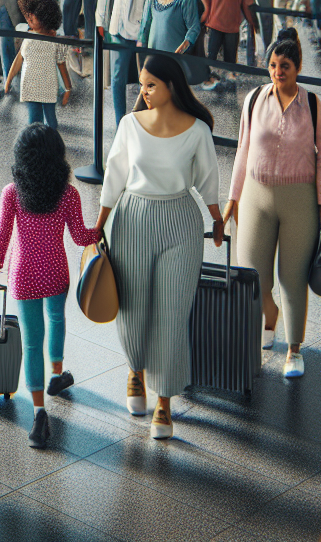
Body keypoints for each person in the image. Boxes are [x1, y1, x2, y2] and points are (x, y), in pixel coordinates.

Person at [95, 53, 222, 441]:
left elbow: (208, 179)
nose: (144, 91)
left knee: (172, 312)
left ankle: (164, 402)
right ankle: (135, 371)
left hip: (181, 222)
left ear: (172, 86)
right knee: (132, 305)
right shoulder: (129, 125)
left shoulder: (198, 130)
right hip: (132, 218)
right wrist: (98, 227)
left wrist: (217, 219)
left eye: (151, 84)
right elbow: (114, 176)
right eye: (142, 84)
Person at [0, 124, 99, 448]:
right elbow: (80, 237)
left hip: (23, 275)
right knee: (57, 320)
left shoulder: (13, 192)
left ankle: (38, 412)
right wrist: (102, 227)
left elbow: (2, 235)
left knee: (31, 344)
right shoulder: (68, 194)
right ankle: (57, 375)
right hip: (56, 272)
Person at [3, 0, 71, 128]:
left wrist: (68, 88)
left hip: (48, 87)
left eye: (32, 18)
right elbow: (18, 60)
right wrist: (8, 79)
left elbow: (62, 64)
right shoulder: (29, 37)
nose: (29, 18)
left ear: (46, 18)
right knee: (34, 121)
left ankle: (51, 144)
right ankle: (35, 145)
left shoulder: (56, 41)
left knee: (51, 121)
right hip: (30, 87)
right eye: (28, 16)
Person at [197, 0, 251, 90]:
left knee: (230, 54)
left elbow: (246, 0)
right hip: (214, 23)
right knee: (212, 53)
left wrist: (249, 20)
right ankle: (210, 76)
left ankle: (230, 75)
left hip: (232, 25)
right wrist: (205, 17)